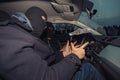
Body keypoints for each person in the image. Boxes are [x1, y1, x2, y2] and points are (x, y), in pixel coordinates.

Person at [0, 6, 105, 80]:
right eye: (44, 23)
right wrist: (75, 57)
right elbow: (47, 76)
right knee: (88, 68)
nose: (45, 28)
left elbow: (44, 62)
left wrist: (62, 54)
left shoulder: (23, 36)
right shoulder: (12, 40)